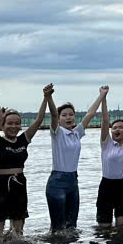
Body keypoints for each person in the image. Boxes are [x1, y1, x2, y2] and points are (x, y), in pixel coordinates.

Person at [0, 81, 53, 241]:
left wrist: (45, 98)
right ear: (2, 126)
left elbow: (39, 120)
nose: (13, 126)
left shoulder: (23, 140)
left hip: (19, 185)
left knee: (18, 236)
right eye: (9, 123)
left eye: (17, 123)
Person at [46, 88, 104, 232]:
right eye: (64, 115)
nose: (68, 117)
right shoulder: (57, 133)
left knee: (72, 227)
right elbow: (53, 114)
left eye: (71, 115)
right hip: (57, 183)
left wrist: (102, 95)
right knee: (58, 229)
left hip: (73, 182)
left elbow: (90, 114)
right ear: (59, 119)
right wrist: (48, 97)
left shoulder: (76, 133)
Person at [96, 92, 123, 227]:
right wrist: (103, 98)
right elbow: (105, 120)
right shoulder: (106, 143)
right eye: (115, 128)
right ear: (111, 130)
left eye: (121, 127)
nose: (117, 129)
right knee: (103, 228)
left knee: (122, 229)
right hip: (106, 186)